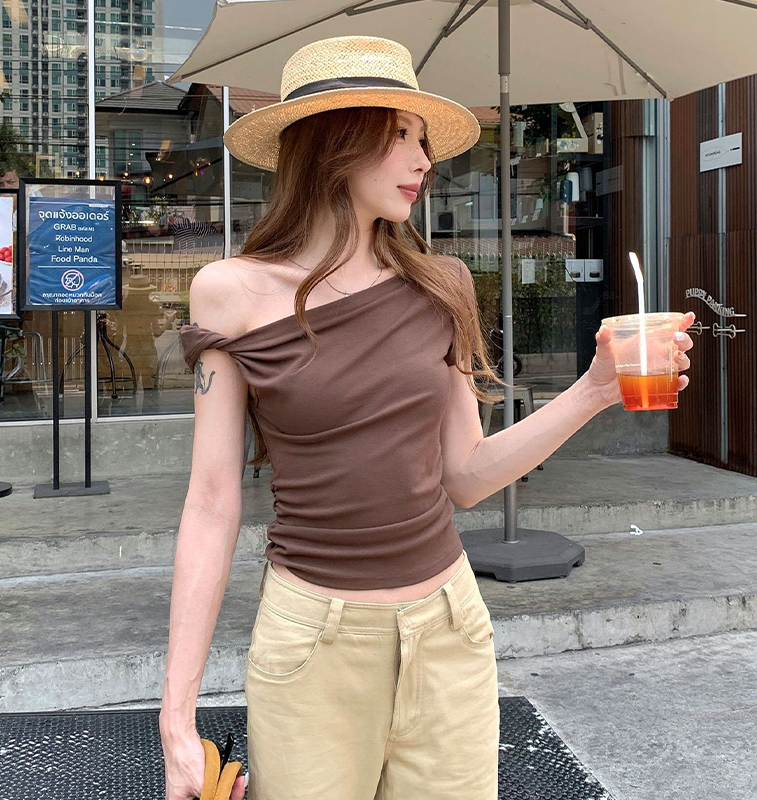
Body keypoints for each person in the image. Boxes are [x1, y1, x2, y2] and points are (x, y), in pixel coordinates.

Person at [158, 36, 695, 800]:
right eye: (400, 136)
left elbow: (466, 476)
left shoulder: (442, 285)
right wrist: (176, 718)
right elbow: (211, 502)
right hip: (311, 641)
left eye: (423, 140)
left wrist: (596, 390)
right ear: (333, 143)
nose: (423, 160)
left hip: (448, 629)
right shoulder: (230, 292)